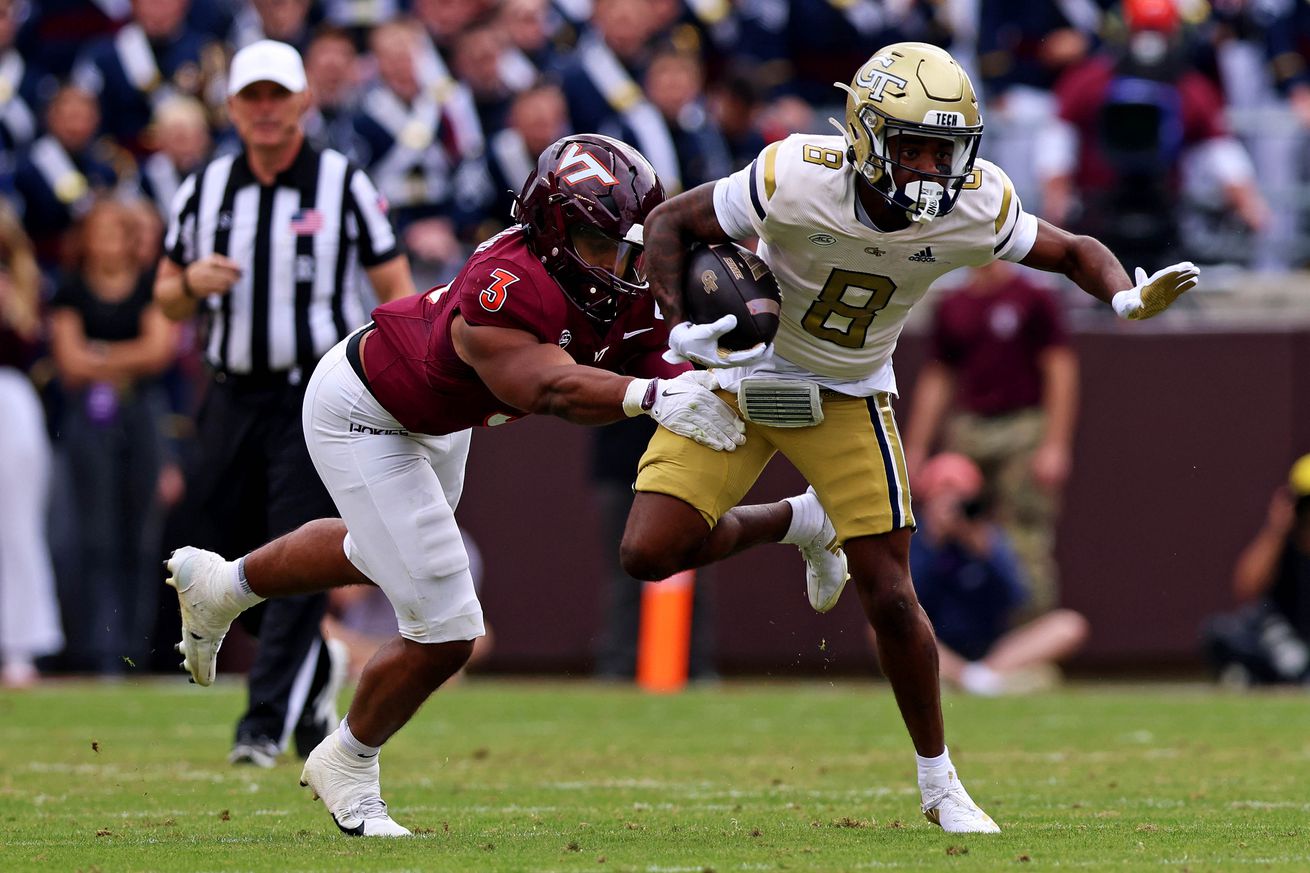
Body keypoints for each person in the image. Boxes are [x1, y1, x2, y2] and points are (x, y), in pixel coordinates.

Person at [619, 42, 1199, 833]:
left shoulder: (975, 202)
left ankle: (940, 784)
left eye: (947, 149)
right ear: (863, 137)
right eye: (915, 146)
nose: (932, 167)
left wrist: (1125, 293)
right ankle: (800, 520)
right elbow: (668, 222)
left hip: (850, 389)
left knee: (891, 594)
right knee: (650, 552)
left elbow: (1070, 250)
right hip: (746, 374)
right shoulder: (795, 173)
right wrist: (674, 323)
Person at [162, 133, 747, 836]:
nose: (618, 262)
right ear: (555, 234)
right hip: (365, 411)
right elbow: (545, 386)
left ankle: (224, 587)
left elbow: (662, 348)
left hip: (440, 420)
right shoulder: (505, 283)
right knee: (447, 625)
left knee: (375, 552)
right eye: (599, 242)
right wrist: (651, 398)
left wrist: (715, 367)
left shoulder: (606, 277)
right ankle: (347, 758)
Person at [153, 40, 415, 768]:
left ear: (303, 100)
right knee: (226, 545)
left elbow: (393, 284)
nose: (266, 110)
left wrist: (393, 379)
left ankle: (263, 722)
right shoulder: (203, 188)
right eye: (252, 97)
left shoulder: (341, 181)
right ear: (232, 107)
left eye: (278, 95)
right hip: (230, 394)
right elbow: (165, 291)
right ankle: (313, 670)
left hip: (313, 395)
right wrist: (191, 284)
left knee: (297, 548)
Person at [902, 258, 1077, 617]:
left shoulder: (1032, 297)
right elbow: (938, 378)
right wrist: (916, 448)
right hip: (970, 427)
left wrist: (1055, 444)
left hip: (1024, 424)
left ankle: (1029, 628)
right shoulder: (954, 304)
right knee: (947, 517)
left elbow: (1060, 369)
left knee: (1025, 529)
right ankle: (945, 626)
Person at [49, 199, 180, 674]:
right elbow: (69, 362)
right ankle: (100, 647)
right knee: (95, 534)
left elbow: (158, 351)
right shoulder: (70, 290)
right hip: (90, 419)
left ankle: (135, 648)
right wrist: (124, 357)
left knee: (141, 535)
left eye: (116, 232)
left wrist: (99, 354)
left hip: (141, 416)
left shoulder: (148, 287)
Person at [906, 453, 1088, 695]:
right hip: (936, 645)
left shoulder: (989, 538)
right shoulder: (916, 540)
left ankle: (982, 678)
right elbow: (906, 599)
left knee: (1068, 625)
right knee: (879, 630)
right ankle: (969, 679)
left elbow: (1018, 599)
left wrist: (984, 552)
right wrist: (933, 543)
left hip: (992, 649)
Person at [0, 205, 63, 688]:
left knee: (16, 527)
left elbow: (31, 343)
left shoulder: (20, 280)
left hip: (10, 399)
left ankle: (22, 644)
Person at [1204, 454, 1310, 687]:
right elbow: (1247, 588)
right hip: (1283, 635)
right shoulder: (1282, 543)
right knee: (1222, 633)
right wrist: (1276, 529)